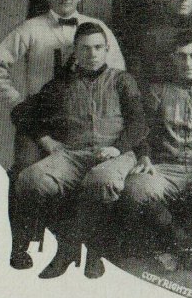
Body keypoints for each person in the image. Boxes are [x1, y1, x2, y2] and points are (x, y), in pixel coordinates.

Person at [0, 0, 125, 270]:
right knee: (23, 173)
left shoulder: (98, 30)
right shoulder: (30, 29)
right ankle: (20, 246)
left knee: (88, 175)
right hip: (39, 119)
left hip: (84, 120)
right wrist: (17, 101)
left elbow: (118, 74)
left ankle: (79, 246)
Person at [11, 23, 147, 278]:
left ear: (106, 49)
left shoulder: (122, 80)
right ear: (75, 51)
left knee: (102, 180)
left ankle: (91, 253)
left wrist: (118, 148)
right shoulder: (60, 85)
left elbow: (139, 122)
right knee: (31, 180)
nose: (92, 54)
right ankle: (68, 246)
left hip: (113, 154)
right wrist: (46, 140)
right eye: (85, 48)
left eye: (98, 48)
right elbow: (21, 112)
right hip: (71, 155)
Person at [121, 30, 192, 273]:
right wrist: (145, 155)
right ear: (173, 58)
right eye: (182, 56)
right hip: (166, 167)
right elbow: (141, 127)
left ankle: (177, 251)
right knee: (136, 187)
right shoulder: (158, 91)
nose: (188, 63)